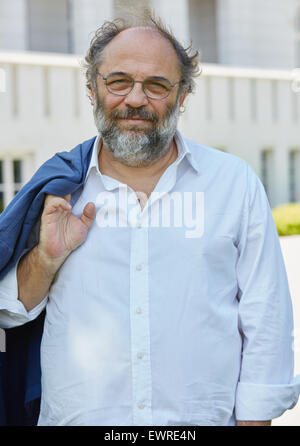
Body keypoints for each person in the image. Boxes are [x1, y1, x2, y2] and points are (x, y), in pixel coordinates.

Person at [0, 12, 300, 427]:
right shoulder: (58, 191)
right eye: (118, 81)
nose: (136, 100)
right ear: (92, 89)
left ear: (181, 97)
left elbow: (266, 327)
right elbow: (9, 313)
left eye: (157, 85)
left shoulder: (235, 185)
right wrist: (46, 261)